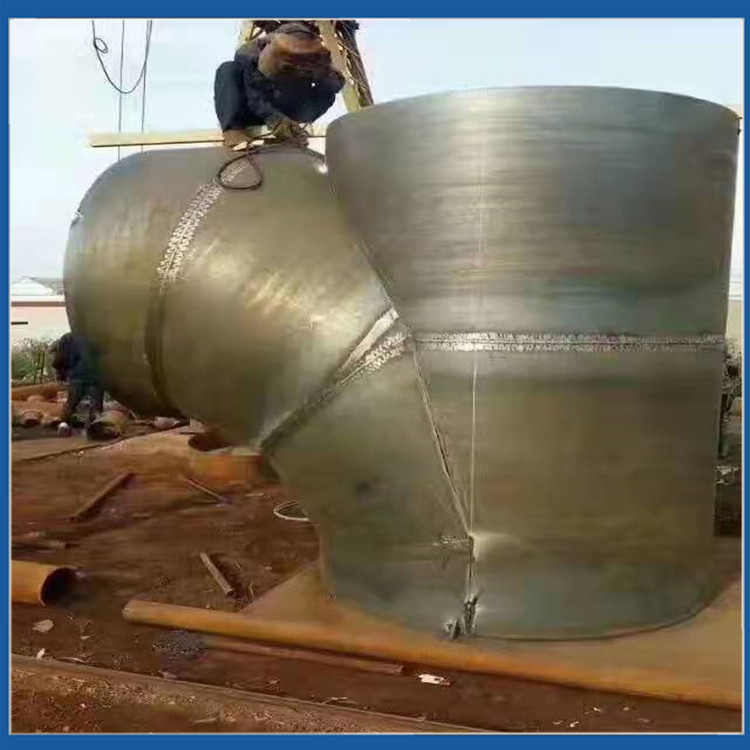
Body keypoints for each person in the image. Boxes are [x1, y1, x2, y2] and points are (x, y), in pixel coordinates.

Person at [214, 21, 345, 149]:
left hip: (290, 110)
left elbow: (334, 87)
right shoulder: (247, 54)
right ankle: (233, 130)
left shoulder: (315, 57)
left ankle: (291, 130)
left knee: (328, 92)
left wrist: (324, 71)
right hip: (254, 109)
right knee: (228, 69)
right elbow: (252, 93)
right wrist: (272, 116)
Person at [50, 333, 105, 435]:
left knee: (71, 403)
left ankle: (64, 425)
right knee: (96, 405)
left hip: (76, 376)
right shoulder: (97, 335)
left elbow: (60, 359)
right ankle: (94, 428)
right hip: (96, 376)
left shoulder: (67, 338)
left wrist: (61, 376)